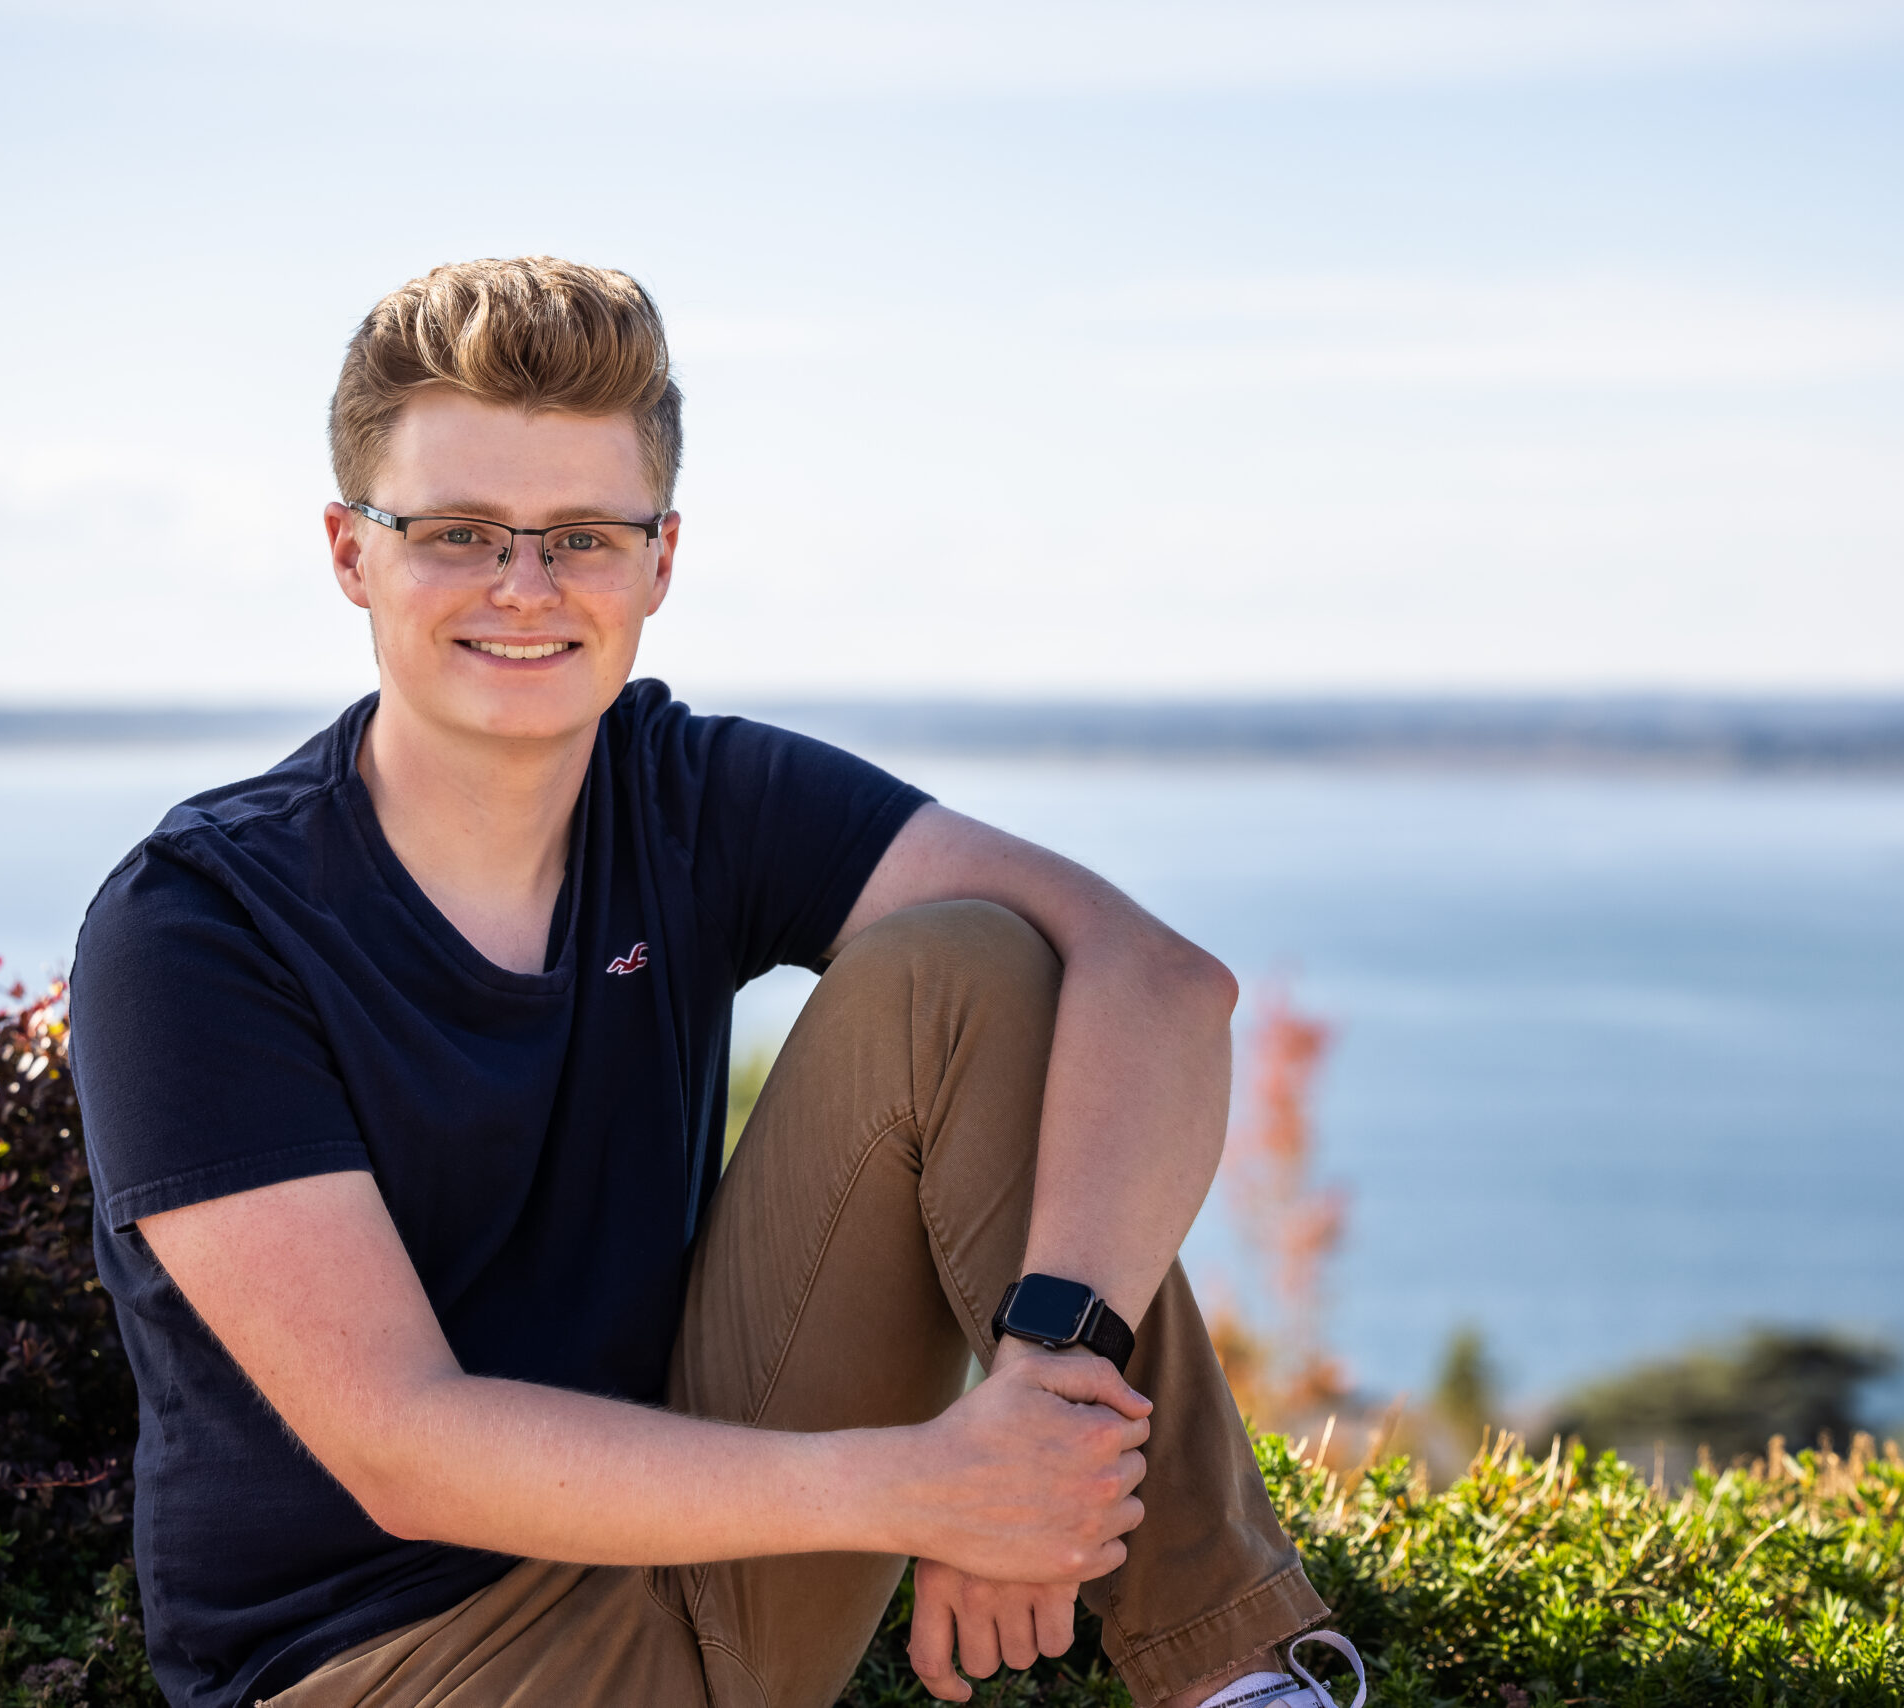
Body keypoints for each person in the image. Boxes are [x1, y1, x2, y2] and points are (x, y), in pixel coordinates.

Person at [69, 257, 1359, 1708]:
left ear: (662, 561)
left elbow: (1158, 979)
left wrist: (1042, 1404)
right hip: (380, 1674)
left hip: (705, 1576)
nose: (524, 586)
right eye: (457, 532)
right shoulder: (196, 928)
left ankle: (1240, 1684)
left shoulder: (694, 798)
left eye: (583, 537)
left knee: (972, 966)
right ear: (348, 551)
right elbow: (404, 1449)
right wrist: (930, 1492)